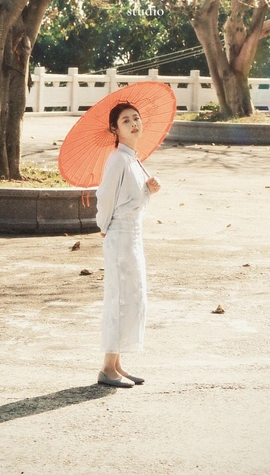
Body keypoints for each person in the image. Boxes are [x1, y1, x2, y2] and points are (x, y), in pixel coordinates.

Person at [95, 101, 161, 388]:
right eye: (125, 121)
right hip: (120, 237)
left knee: (133, 297)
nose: (134, 124)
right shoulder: (118, 160)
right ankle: (107, 368)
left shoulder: (134, 159)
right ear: (115, 129)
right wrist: (103, 226)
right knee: (120, 298)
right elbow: (105, 198)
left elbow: (132, 204)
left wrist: (148, 191)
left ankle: (117, 364)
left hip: (133, 236)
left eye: (136, 118)